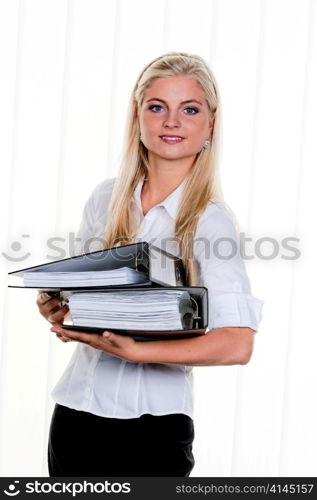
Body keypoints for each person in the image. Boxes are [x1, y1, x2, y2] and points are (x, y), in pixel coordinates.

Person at [37, 52, 263, 477]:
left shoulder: (212, 221)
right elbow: (85, 304)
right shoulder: (105, 198)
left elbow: (237, 343)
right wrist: (61, 310)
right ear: (137, 117)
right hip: (75, 414)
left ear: (210, 124)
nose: (171, 122)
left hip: (152, 431)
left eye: (189, 109)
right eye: (157, 107)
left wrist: (138, 352)